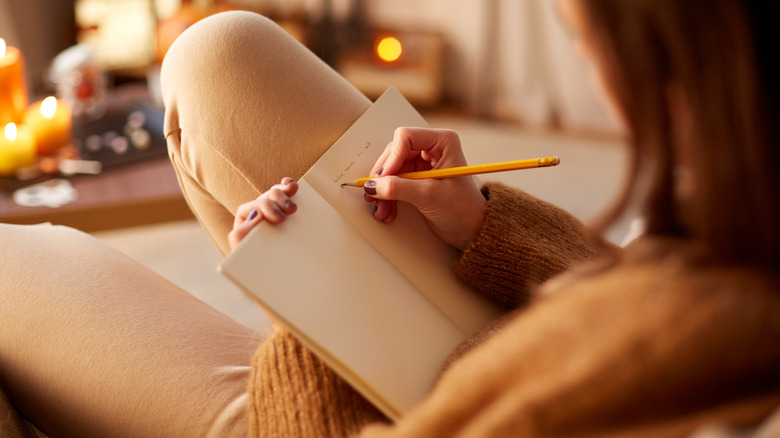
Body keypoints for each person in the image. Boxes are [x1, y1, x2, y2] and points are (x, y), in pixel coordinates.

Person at [1, 1, 779, 437]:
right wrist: (484, 225)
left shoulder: (712, 350)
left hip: (345, 420)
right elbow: (621, 302)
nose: (593, 71)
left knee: (13, 267)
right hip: (489, 337)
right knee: (221, 52)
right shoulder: (741, 228)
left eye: (583, 41)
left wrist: (304, 311)